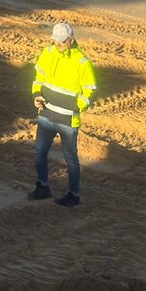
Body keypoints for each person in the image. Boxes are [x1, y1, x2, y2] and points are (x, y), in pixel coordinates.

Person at [28, 20, 96, 207]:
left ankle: (73, 195)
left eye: (62, 41)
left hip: (67, 119)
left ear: (71, 40)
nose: (58, 45)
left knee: (70, 159)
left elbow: (90, 91)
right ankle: (42, 187)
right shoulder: (47, 53)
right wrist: (36, 95)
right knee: (40, 152)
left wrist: (77, 106)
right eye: (56, 41)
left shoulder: (82, 62)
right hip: (46, 114)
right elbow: (38, 78)